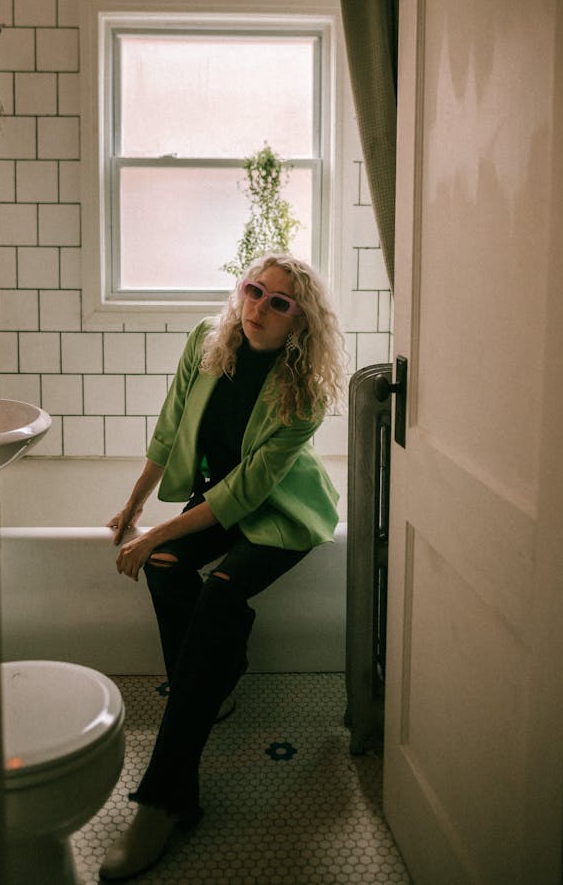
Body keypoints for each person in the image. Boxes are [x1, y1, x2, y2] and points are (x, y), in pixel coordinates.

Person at [99, 253, 347, 881]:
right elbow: (168, 430)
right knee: (162, 563)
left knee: (219, 594)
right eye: (253, 291)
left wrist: (158, 527)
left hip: (280, 510)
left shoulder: (305, 392)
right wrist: (132, 508)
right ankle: (220, 676)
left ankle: (164, 800)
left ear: (301, 321)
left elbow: (244, 496)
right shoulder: (206, 344)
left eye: (278, 303)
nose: (257, 309)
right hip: (217, 496)